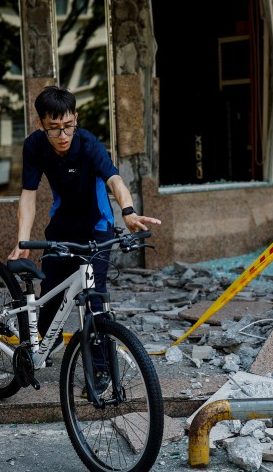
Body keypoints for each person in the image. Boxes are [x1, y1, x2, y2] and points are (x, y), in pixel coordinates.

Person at [8, 85, 161, 343]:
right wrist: (22, 240)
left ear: (76, 118)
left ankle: (100, 371)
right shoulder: (34, 146)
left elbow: (114, 180)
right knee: (50, 296)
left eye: (69, 125)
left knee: (94, 298)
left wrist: (128, 212)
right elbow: (29, 194)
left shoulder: (88, 144)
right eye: (54, 127)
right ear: (40, 124)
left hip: (97, 229)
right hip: (62, 227)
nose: (63, 134)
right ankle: (49, 339)